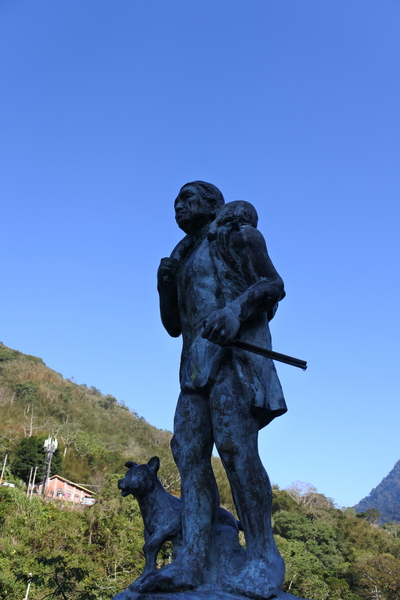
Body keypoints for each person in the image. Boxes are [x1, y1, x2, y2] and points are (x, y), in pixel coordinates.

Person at [140, 181, 287, 599]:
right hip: (194, 368)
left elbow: (273, 284)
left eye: (187, 198)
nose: (178, 206)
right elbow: (174, 327)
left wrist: (234, 311)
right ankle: (192, 559)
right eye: (175, 201)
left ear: (212, 204)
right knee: (187, 454)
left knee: (237, 451)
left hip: (234, 357)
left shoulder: (238, 235)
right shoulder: (183, 258)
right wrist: (164, 287)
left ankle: (264, 558)